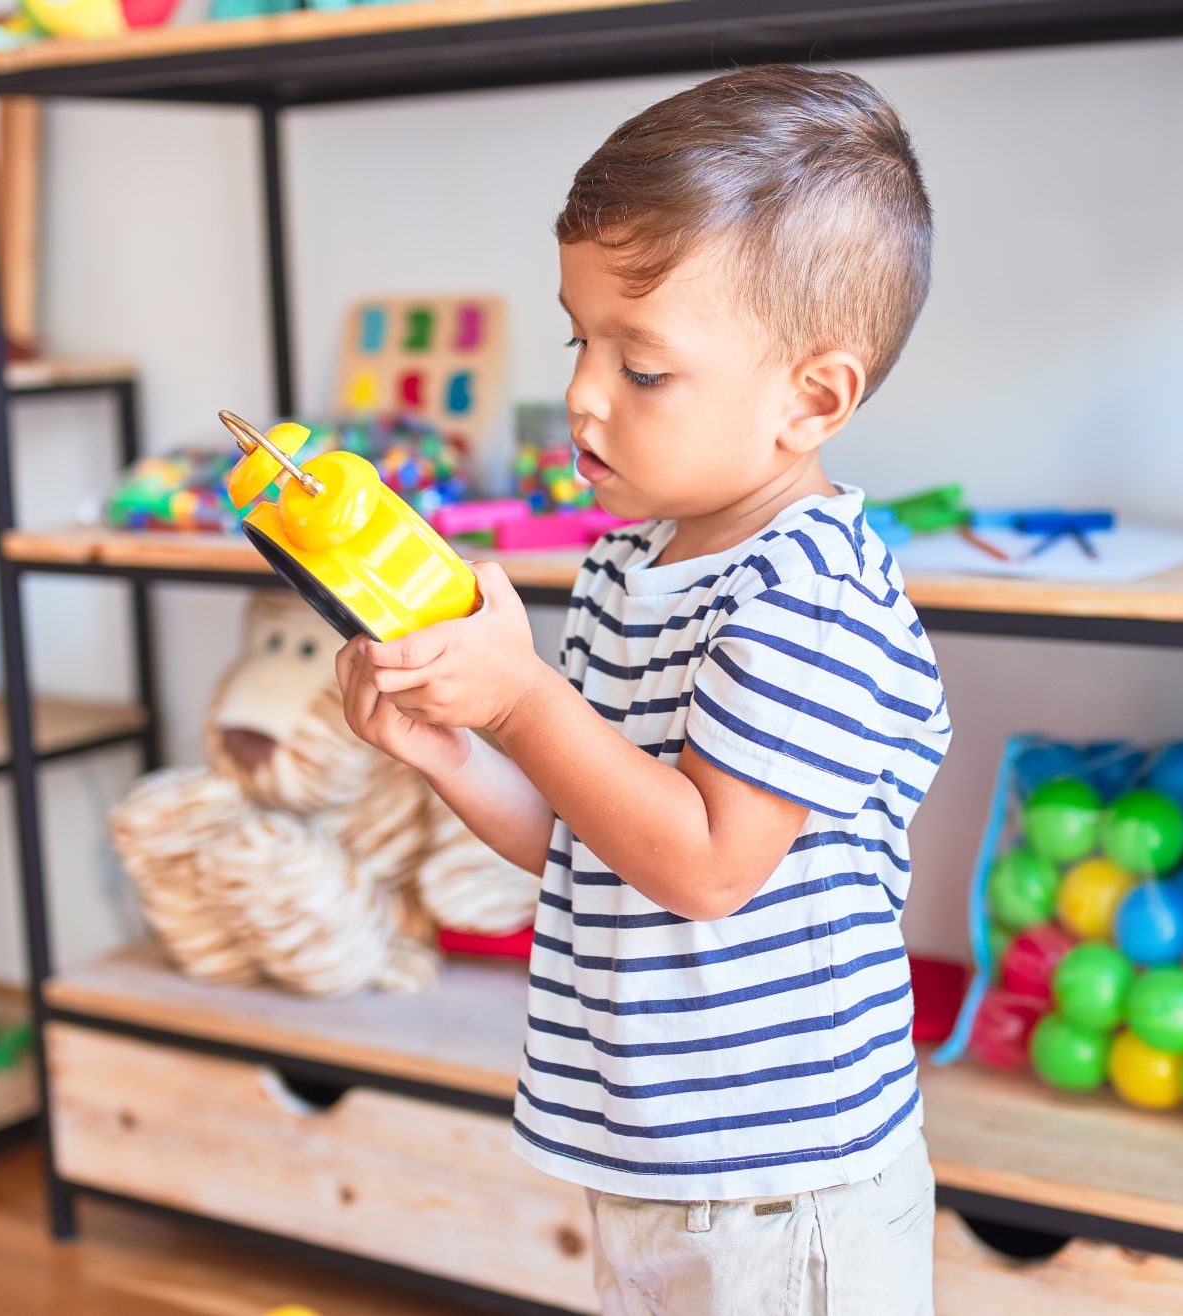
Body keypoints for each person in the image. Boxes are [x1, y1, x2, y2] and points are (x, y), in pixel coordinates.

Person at [336, 64, 950, 1315]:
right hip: (658, 1155)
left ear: (812, 398)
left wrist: (517, 701)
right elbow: (585, 839)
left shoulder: (810, 591)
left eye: (644, 366)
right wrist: (454, 745)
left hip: (786, 1185)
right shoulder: (629, 562)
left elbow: (706, 864)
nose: (579, 392)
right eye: (579, 339)